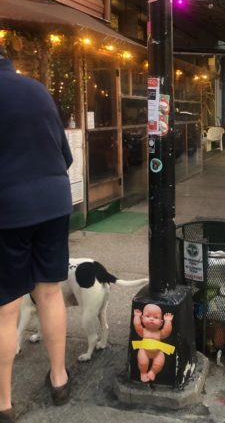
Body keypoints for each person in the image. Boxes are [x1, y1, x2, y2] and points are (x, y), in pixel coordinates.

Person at [0, 44, 73, 422]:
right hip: (54, 202)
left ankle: (4, 402)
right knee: (49, 291)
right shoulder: (37, 90)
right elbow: (65, 154)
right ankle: (59, 379)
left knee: (7, 306)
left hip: (8, 208)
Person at [133, 304, 175, 383]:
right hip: (144, 351)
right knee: (143, 363)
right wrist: (137, 316)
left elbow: (167, 331)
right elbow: (137, 325)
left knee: (158, 364)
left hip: (158, 352)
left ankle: (153, 372)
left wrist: (168, 321)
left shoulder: (159, 333)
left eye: (156, 317)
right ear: (142, 319)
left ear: (161, 323)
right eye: (148, 316)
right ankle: (143, 373)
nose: (151, 319)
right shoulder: (143, 331)